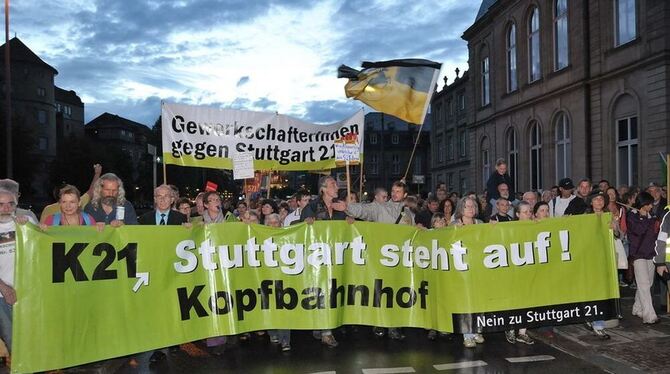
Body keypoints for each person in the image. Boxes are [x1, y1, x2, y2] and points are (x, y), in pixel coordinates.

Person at [138, 185, 187, 363]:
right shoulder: (144, 219)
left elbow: (187, 242)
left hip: (174, 271)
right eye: (159, 196)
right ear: (155, 199)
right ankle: (158, 347)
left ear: (172, 199)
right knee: (156, 309)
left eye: (166, 196)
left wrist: (190, 231)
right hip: (153, 270)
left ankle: (174, 339)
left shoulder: (180, 218)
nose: (163, 199)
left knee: (174, 305)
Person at [300, 176, 347, 348]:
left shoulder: (340, 207)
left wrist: (350, 222)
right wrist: (306, 224)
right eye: (333, 184)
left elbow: (346, 230)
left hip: (336, 258)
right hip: (317, 260)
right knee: (321, 292)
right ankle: (325, 330)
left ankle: (324, 329)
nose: (336, 186)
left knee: (331, 291)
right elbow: (300, 232)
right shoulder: (311, 208)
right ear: (323, 189)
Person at [0, 187, 37, 354]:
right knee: (13, 342)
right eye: (1, 204)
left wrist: (29, 226)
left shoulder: (27, 221)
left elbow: (45, 245)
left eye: (10, 204)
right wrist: (4, 288)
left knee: (33, 337)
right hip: (2, 295)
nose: (6, 208)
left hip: (29, 292)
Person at [453, 196, 484, 347]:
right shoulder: (455, 224)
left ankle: (477, 330)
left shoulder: (480, 223)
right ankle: (467, 334)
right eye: (467, 207)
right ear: (461, 209)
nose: (471, 209)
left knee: (478, 300)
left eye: (472, 206)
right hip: (463, 268)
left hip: (478, 267)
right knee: (466, 301)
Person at [504, 201, 535, 345]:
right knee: (513, 299)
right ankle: (510, 328)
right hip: (514, 270)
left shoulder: (535, 227)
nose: (529, 214)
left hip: (529, 269)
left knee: (527, 298)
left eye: (530, 211)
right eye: (525, 212)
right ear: (517, 214)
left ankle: (522, 332)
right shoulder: (510, 229)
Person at [627, 192, 660, 325]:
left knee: (647, 283)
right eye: (649, 204)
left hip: (651, 254)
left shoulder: (652, 216)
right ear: (643, 204)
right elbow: (638, 231)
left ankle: (637, 307)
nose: (651, 206)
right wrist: (642, 217)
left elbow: (655, 234)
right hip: (638, 254)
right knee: (644, 285)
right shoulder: (632, 215)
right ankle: (649, 315)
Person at [264, 212, 292, 352]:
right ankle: (273, 333)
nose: (274, 225)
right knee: (269, 307)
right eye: (271, 223)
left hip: (283, 278)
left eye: (277, 223)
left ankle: (285, 340)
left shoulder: (287, 237)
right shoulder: (261, 237)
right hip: (267, 279)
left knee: (283, 308)